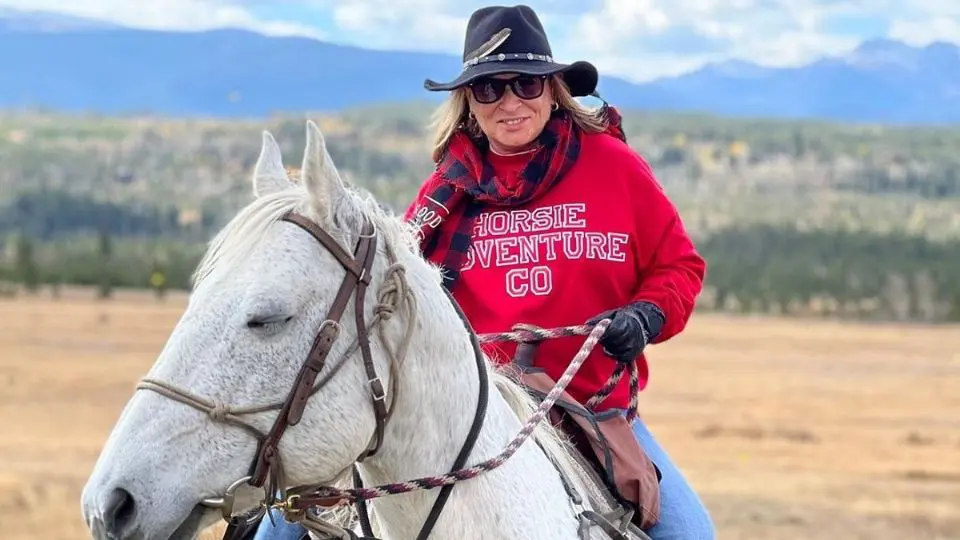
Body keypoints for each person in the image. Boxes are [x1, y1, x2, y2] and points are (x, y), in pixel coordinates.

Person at [254, 4, 713, 540]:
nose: (510, 102)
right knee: (280, 526)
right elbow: (393, 299)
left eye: (526, 84)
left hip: (587, 411)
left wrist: (646, 315)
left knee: (689, 533)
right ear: (469, 100)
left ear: (553, 89)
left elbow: (678, 265)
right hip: (458, 417)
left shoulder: (614, 166)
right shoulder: (444, 193)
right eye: (490, 88)